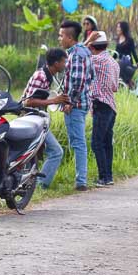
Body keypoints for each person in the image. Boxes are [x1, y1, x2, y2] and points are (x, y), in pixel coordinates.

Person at [21, 48, 70, 189]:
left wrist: (62, 104)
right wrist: (55, 101)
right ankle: (39, 186)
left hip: (38, 120)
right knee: (56, 151)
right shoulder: (41, 76)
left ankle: (30, 185)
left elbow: (47, 99)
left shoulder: (49, 76)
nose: (65, 65)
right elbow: (28, 102)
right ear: (56, 63)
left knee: (34, 155)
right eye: (63, 61)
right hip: (31, 119)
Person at [59, 20, 94, 191]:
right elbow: (91, 76)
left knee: (78, 142)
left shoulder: (76, 55)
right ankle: (81, 178)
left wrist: (70, 102)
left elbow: (78, 81)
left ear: (69, 37)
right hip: (82, 102)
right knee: (78, 141)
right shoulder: (84, 51)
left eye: (61, 35)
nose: (60, 39)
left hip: (76, 105)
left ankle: (81, 180)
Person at [87, 32, 119, 187]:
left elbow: (76, 57)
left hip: (101, 105)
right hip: (111, 105)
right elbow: (115, 87)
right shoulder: (113, 62)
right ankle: (108, 176)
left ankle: (103, 177)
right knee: (106, 142)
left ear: (92, 47)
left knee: (96, 143)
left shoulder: (95, 60)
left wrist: (87, 41)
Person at [115, 21, 138, 87]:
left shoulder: (129, 40)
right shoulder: (118, 39)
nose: (117, 29)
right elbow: (116, 53)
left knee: (126, 78)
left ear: (123, 28)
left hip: (127, 61)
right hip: (120, 61)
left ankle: (130, 85)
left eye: (119, 27)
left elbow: (133, 52)